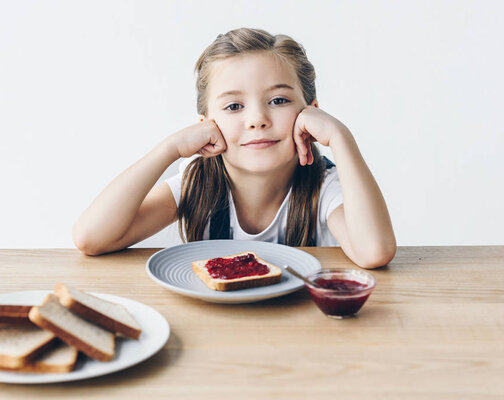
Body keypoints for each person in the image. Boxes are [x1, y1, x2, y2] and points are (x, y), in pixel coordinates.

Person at [72, 27, 396, 269]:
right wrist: (168, 150)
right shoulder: (196, 183)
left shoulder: (324, 186)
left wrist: (341, 137)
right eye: (233, 106)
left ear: (311, 113)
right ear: (205, 125)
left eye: (279, 100)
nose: (257, 119)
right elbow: (91, 237)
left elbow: (374, 252)